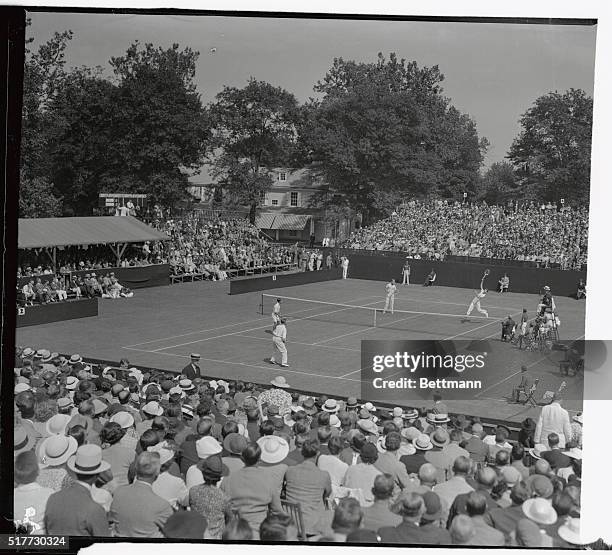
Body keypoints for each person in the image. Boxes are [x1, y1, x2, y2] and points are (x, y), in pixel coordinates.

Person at [44, 445, 111, 536]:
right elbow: (104, 544)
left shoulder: (53, 499)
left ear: (75, 471)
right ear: (97, 475)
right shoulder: (94, 509)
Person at [110, 451, 174, 538]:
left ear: (136, 469)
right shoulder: (161, 505)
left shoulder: (118, 492)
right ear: (157, 472)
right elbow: (175, 532)